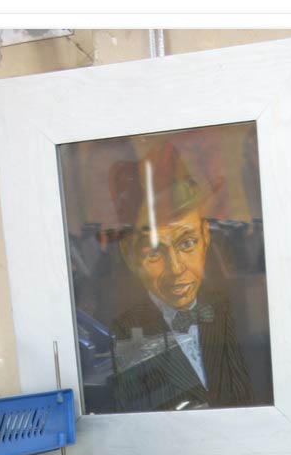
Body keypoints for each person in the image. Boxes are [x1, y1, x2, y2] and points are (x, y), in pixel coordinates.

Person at [102, 141, 272, 413]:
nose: (177, 268)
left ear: (205, 237)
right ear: (130, 256)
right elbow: (137, 416)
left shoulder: (224, 308)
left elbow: (245, 394)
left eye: (187, 243)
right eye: (155, 252)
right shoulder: (127, 329)